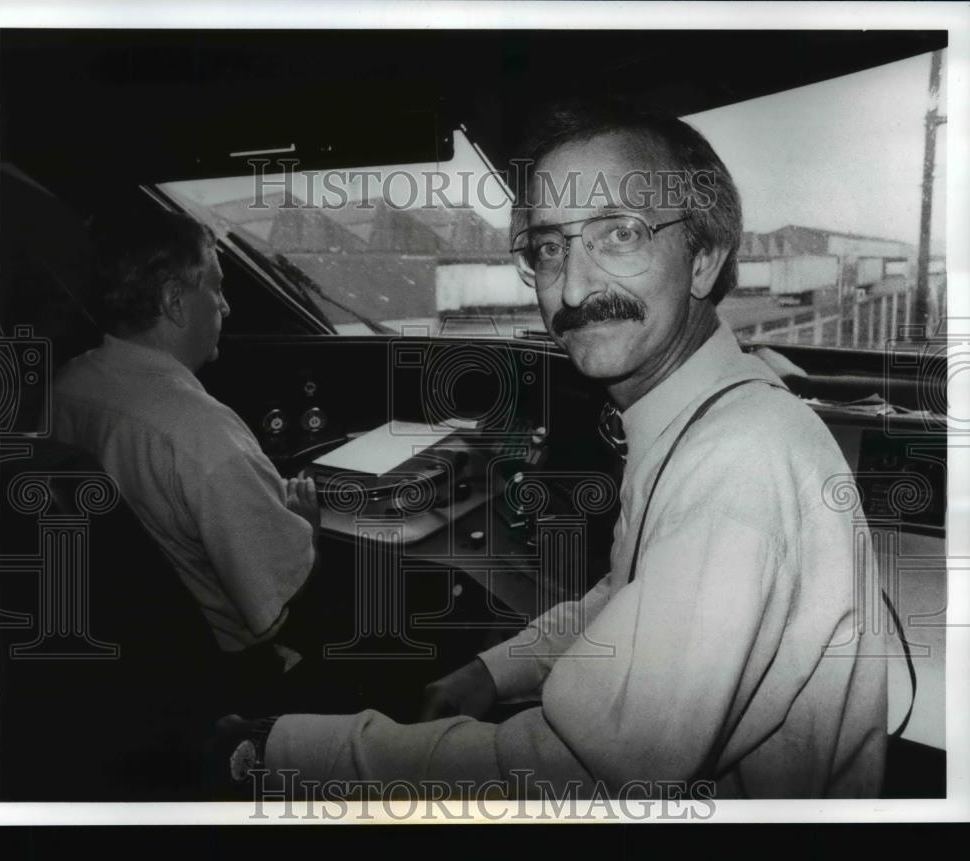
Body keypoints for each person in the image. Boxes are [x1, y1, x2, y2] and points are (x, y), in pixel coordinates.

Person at [214, 109, 887, 799]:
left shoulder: (736, 464)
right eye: (548, 247)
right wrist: (495, 670)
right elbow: (629, 591)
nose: (570, 289)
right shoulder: (709, 410)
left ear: (705, 257)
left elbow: (574, 781)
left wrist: (277, 748)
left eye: (620, 233)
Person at [52, 207, 320, 694]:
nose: (226, 306)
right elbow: (279, 605)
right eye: (216, 287)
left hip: (133, 664)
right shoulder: (202, 433)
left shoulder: (66, 386)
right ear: (176, 302)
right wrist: (309, 528)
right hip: (230, 676)